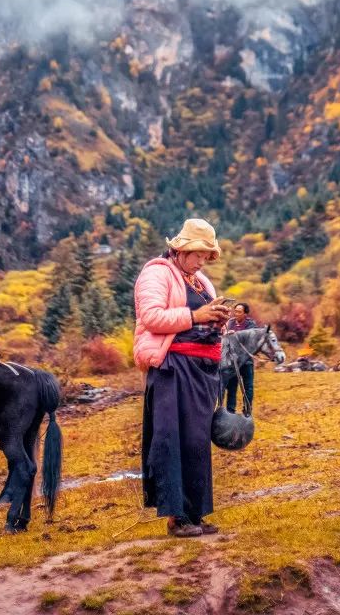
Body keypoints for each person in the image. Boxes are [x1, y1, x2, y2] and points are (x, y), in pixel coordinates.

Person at [134, 218, 231, 538]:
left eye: (207, 255)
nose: (203, 261)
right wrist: (196, 315)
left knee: (196, 442)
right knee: (172, 440)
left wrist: (218, 321)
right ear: (180, 249)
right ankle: (177, 518)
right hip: (171, 369)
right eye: (198, 254)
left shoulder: (202, 282)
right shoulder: (156, 273)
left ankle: (195, 514)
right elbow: (151, 317)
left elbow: (205, 325)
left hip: (202, 371)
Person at [221, 302, 258, 415]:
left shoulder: (251, 324)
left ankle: (247, 411)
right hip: (233, 362)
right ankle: (230, 411)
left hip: (246, 361)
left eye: (239, 312)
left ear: (245, 314)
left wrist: (235, 333)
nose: (236, 313)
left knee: (248, 387)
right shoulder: (230, 322)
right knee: (232, 387)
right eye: (235, 311)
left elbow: (250, 338)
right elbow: (223, 334)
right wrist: (226, 333)